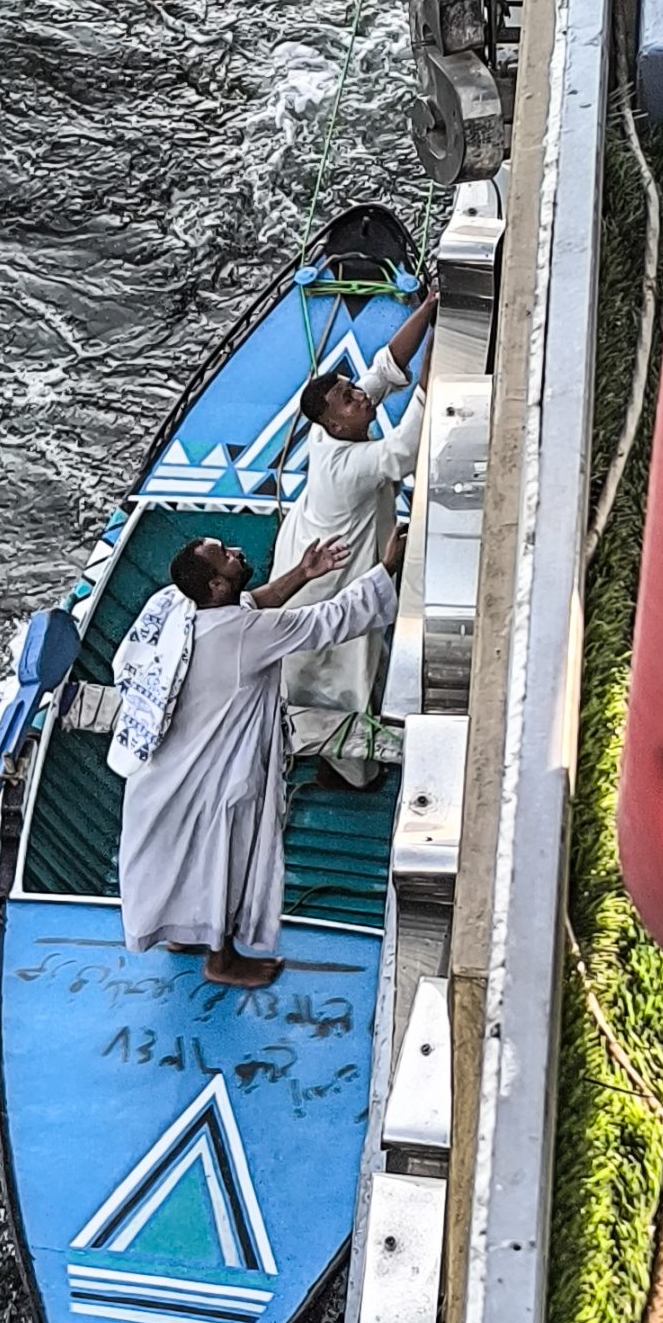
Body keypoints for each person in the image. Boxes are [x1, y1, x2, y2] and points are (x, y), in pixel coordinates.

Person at [114, 524, 405, 988]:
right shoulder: (245, 635)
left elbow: (251, 601)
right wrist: (386, 567)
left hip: (163, 773)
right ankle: (222, 959)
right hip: (217, 779)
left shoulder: (179, 608)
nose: (236, 550)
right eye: (226, 556)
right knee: (224, 861)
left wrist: (304, 573)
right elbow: (330, 619)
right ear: (216, 585)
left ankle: (182, 935)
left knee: (177, 859)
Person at [268, 278, 437, 783]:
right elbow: (405, 448)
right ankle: (350, 768)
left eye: (351, 389)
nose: (359, 396)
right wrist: (442, 352)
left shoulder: (338, 424)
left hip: (316, 548)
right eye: (348, 397)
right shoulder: (346, 466)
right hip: (329, 577)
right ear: (335, 424)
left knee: (334, 665)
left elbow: (385, 368)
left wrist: (431, 307)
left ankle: (337, 758)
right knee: (341, 669)